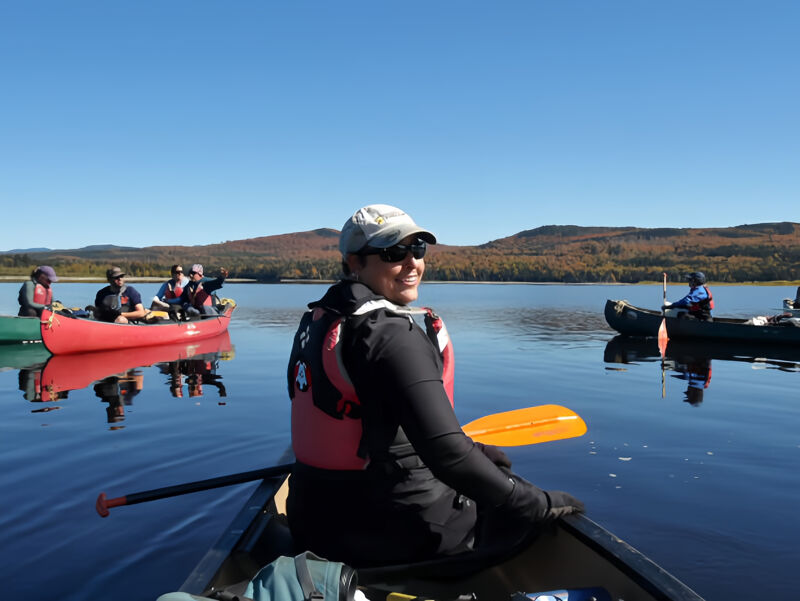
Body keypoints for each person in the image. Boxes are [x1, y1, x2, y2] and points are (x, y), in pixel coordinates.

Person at [286, 204, 584, 568]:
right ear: (354, 263)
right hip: (392, 535)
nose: (412, 263)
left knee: (488, 470)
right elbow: (449, 457)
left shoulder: (320, 321)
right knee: (518, 504)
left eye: (418, 249)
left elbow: (369, 419)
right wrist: (538, 503)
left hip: (313, 524)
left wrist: (473, 450)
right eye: (394, 253)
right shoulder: (390, 334)